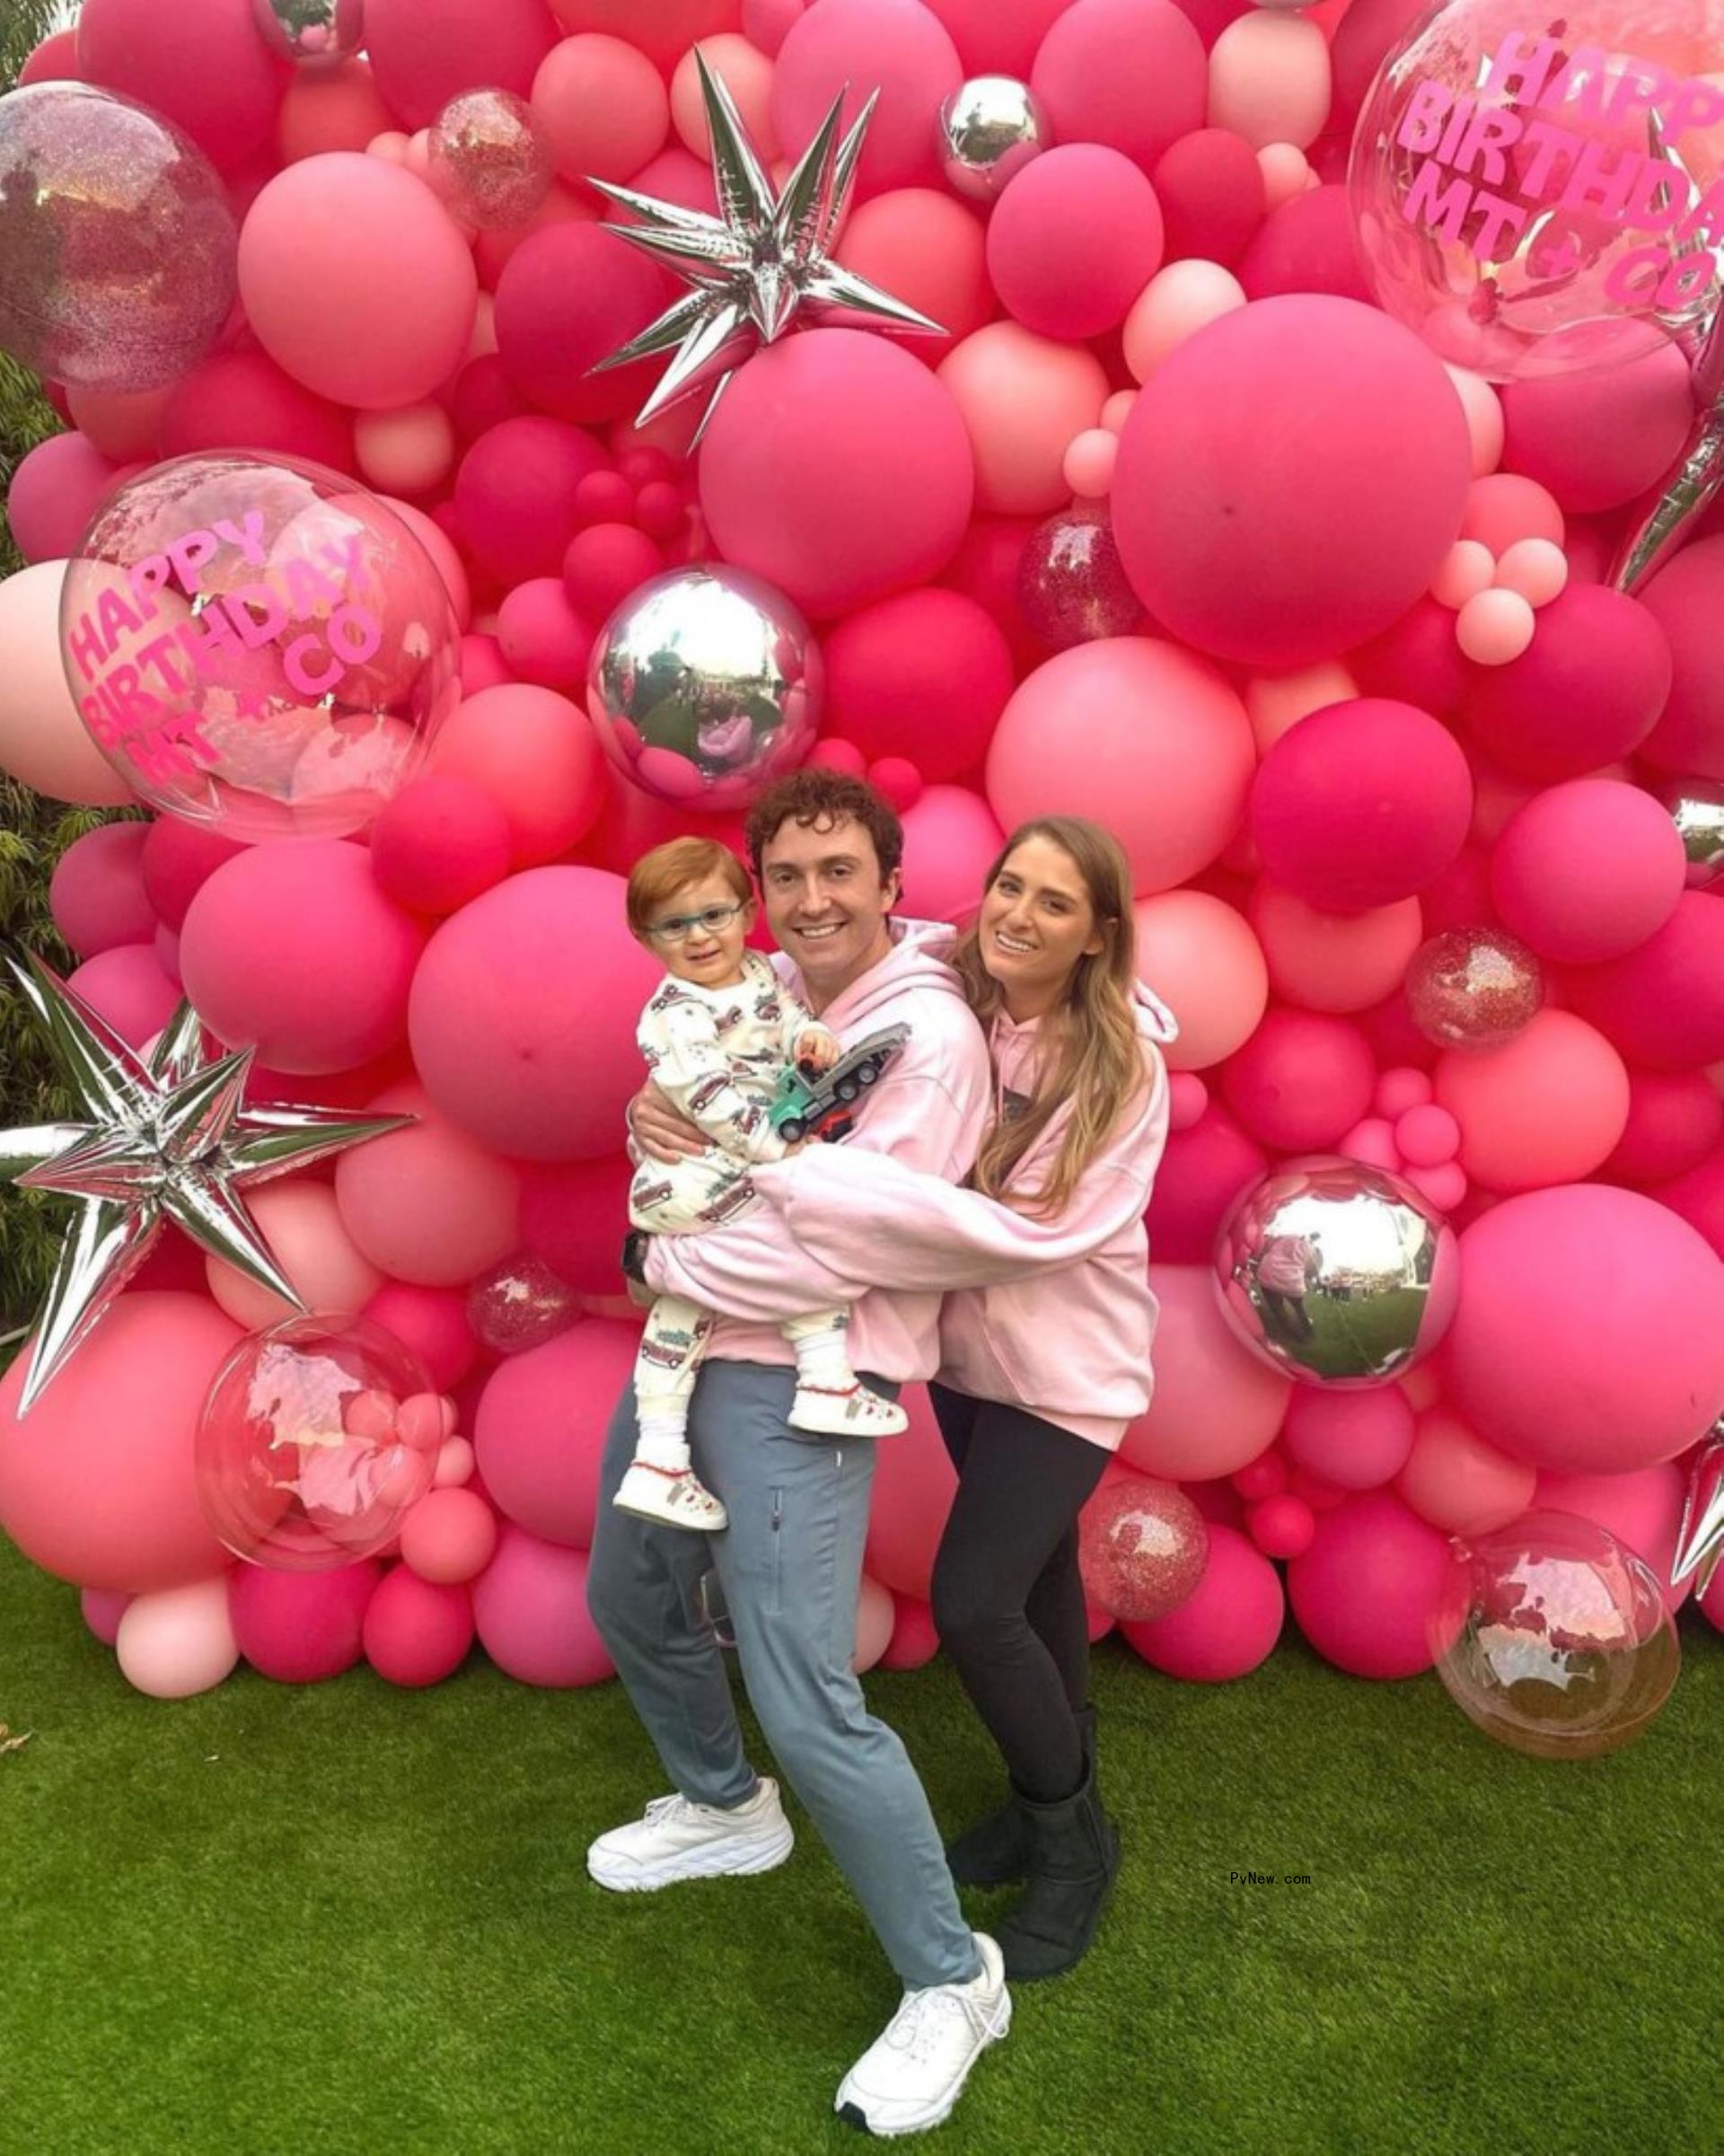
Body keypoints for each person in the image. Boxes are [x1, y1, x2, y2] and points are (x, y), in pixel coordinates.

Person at [585, 771, 1011, 2140]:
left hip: (798, 1383)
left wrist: (657, 1252)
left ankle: (955, 1978)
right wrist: (648, 1138)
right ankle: (724, 1805)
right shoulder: (769, 992)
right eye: (790, 877)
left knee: (811, 1694)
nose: (812, 900)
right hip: (694, 1348)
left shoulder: (926, 1040)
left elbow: (852, 1237)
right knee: (632, 1591)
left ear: (891, 882)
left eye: (842, 871)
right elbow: (699, 1126)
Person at [744, 817, 1175, 1982]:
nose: (1019, 915)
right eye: (1008, 886)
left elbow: (1049, 1237)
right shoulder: (959, 980)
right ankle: (1049, 1807)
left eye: (1054, 903)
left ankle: (1074, 1843)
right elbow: (839, 954)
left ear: (1099, 935)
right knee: (1034, 1589)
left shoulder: (1121, 1065)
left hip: (1070, 1376)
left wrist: (829, 1184)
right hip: (973, 1364)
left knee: (975, 1603)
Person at [615, 836, 910, 1536]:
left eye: (713, 914)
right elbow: (709, 1094)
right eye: (674, 925)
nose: (699, 936)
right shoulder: (672, 1014)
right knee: (794, 1249)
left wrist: (812, 1039)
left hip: (730, 1166)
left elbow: (782, 1020)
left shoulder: (756, 973)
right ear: (644, 937)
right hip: (696, 1175)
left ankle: (669, 1453)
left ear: (748, 912)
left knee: (696, 1304)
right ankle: (814, 1381)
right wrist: (778, 1147)